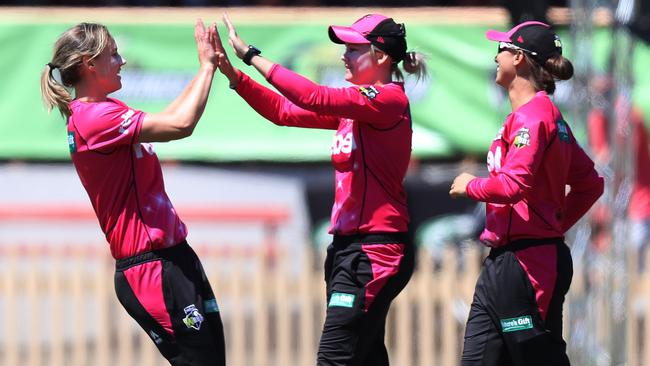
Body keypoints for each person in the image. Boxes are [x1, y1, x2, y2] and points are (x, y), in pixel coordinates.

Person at [213, 12, 425, 366]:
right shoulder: (357, 108)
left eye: (354, 49)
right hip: (349, 248)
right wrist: (234, 77)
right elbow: (284, 110)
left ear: (382, 57)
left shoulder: (388, 101)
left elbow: (313, 96)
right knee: (365, 355)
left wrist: (251, 55)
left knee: (334, 358)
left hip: (375, 251)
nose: (344, 54)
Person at [40, 20, 226, 365]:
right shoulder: (93, 118)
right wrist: (207, 67)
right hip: (151, 268)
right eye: (113, 54)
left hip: (173, 258)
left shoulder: (108, 110)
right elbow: (181, 125)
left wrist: (205, 69)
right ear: (88, 64)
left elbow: (170, 116)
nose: (122, 60)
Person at [449, 21, 604, 365]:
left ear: (518, 58)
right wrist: (554, 222)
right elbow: (590, 183)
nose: (496, 55)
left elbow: (513, 185)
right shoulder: (541, 117)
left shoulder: (535, 117)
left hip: (528, 263)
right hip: (506, 260)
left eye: (501, 48)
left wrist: (469, 185)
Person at [587, 74, 650, 271]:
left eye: (603, 93)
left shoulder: (630, 117)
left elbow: (619, 160)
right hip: (611, 198)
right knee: (602, 255)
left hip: (638, 198)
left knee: (635, 249)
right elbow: (600, 158)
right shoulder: (597, 117)